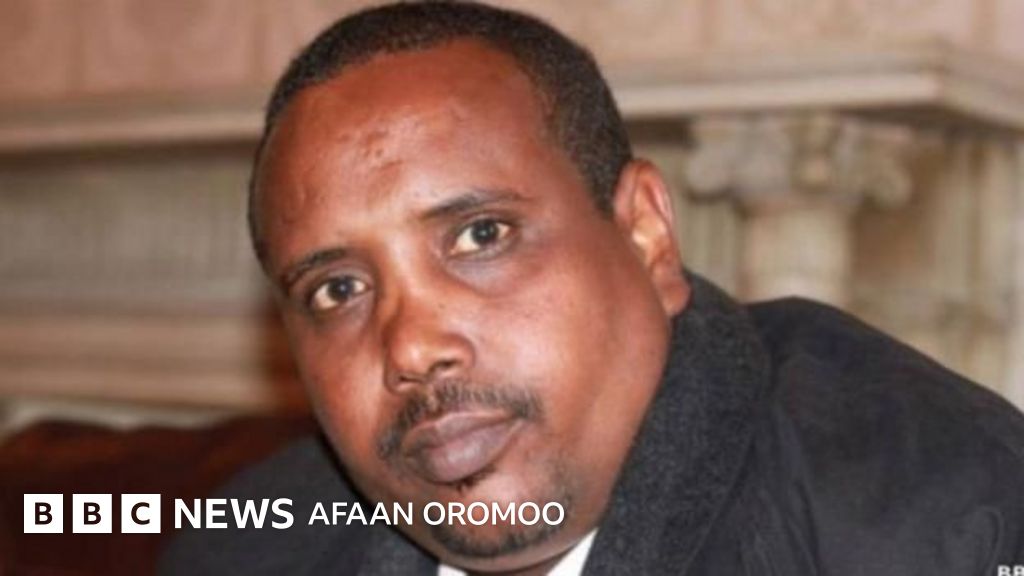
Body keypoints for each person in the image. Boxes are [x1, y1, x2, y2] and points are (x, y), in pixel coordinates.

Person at [161, 1, 1024, 574]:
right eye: (337, 289)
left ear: (647, 235)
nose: (412, 346)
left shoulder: (952, 521)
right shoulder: (246, 548)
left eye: (481, 235)